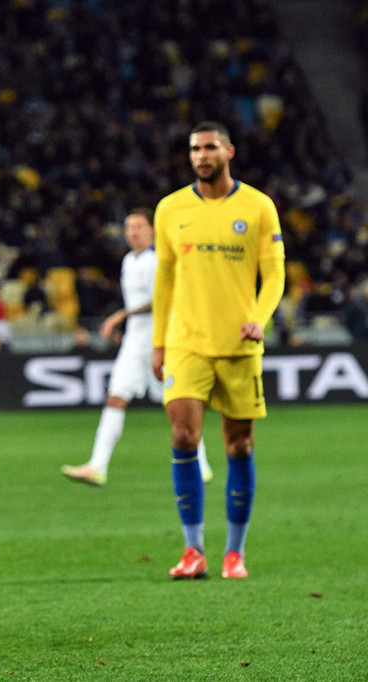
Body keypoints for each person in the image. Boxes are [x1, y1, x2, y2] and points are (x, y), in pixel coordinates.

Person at [151, 121, 285, 580]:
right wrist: (158, 342)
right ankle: (193, 550)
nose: (201, 155)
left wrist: (260, 318)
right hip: (186, 341)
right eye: (194, 149)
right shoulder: (170, 209)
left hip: (238, 344)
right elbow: (164, 278)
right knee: (184, 437)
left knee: (238, 444)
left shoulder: (259, 206)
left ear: (229, 150)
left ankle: (235, 551)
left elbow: (275, 274)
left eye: (209, 147)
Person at [62, 209, 212, 487]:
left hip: (162, 341)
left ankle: (201, 467)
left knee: (178, 406)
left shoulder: (156, 261)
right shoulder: (129, 261)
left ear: (151, 231)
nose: (133, 232)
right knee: (116, 397)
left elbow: (162, 299)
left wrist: (122, 315)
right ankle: (97, 466)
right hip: (135, 342)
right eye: (129, 227)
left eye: (139, 227)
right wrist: (126, 325)